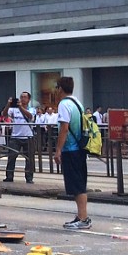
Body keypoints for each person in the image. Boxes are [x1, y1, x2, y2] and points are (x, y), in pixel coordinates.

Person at [55, 76, 91, 229]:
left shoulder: (64, 104)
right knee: (79, 183)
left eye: (57, 87)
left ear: (60, 89)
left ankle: (83, 218)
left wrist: (58, 150)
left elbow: (64, 128)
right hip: (80, 148)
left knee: (77, 185)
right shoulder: (77, 103)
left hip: (71, 149)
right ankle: (81, 215)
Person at [4, 91, 35, 183]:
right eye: (21, 97)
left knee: (29, 158)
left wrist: (21, 107)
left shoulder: (31, 109)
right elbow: (4, 114)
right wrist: (8, 104)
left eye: (25, 97)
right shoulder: (13, 109)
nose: (23, 99)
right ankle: (9, 176)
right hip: (15, 137)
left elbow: (30, 116)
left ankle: (29, 178)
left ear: (29, 99)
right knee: (11, 157)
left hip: (28, 137)